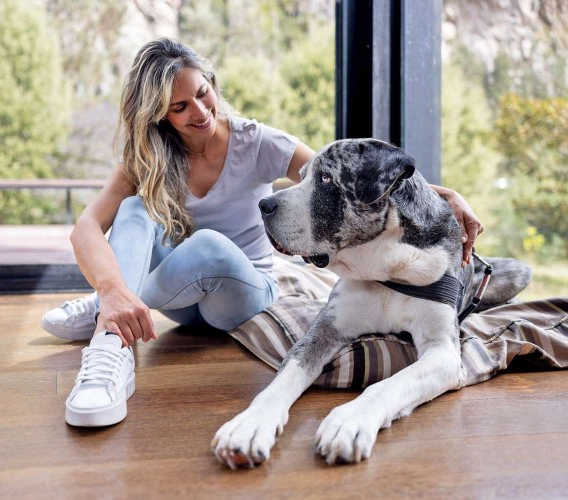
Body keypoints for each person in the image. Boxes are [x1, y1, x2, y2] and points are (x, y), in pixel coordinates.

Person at [41, 38, 483, 427]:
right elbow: (86, 228)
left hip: (237, 293)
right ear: (159, 115)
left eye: (203, 92)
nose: (200, 111)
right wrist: (112, 286)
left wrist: (445, 196)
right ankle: (113, 308)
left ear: (211, 83)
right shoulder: (150, 157)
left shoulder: (257, 142)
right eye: (180, 107)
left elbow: (342, 179)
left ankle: (107, 320)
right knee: (135, 209)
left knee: (209, 246)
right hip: (177, 299)